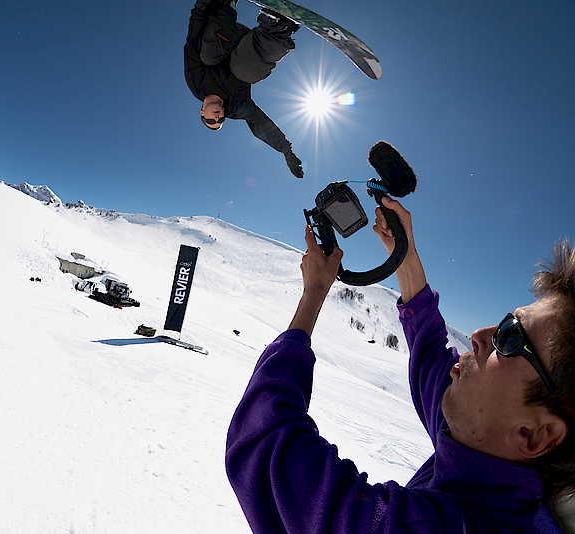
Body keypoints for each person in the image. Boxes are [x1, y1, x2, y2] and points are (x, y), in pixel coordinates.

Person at [226, 196, 575, 532]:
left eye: (510, 338)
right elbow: (433, 359)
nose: (479, 335)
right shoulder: (489, 460)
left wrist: (314, 292)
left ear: (535, 434)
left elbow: (268, 447)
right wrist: (403, 255)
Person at [185, 0, 304, 178]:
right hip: (251, 45)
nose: (218, 118)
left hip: (225, 33)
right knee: (245, 73)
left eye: (211, 120)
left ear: (202, 111)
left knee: (207, 57)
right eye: (221, 121)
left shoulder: (196, 82)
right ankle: (276, 28)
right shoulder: (235, 107)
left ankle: (226, 4)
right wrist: (286, 151)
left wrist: (201, 7)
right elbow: (261, 125)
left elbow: (192, 41)